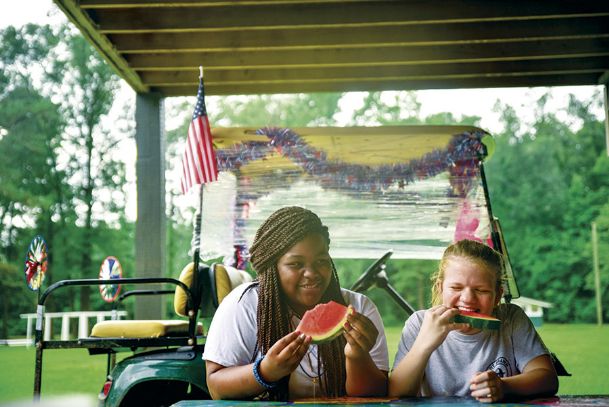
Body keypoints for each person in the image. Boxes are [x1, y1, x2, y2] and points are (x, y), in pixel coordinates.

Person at [203, 206, 389, 400]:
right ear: (272, 267)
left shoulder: (359, 307)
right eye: (296, 264)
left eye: (321, 261)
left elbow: (376, 395)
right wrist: (265, 371)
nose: (312, 273)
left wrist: (357, 357)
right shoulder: (244, 304)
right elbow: (216, 387)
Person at [389, 239, 558, 402]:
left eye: (481, 290)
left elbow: (547, 378)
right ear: (440, 288)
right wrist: (424, 344)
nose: (468, 298)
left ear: (497, 295)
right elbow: (397, 392)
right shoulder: (419, 323)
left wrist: (504, 386)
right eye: (456, 287)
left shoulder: (511, 319)